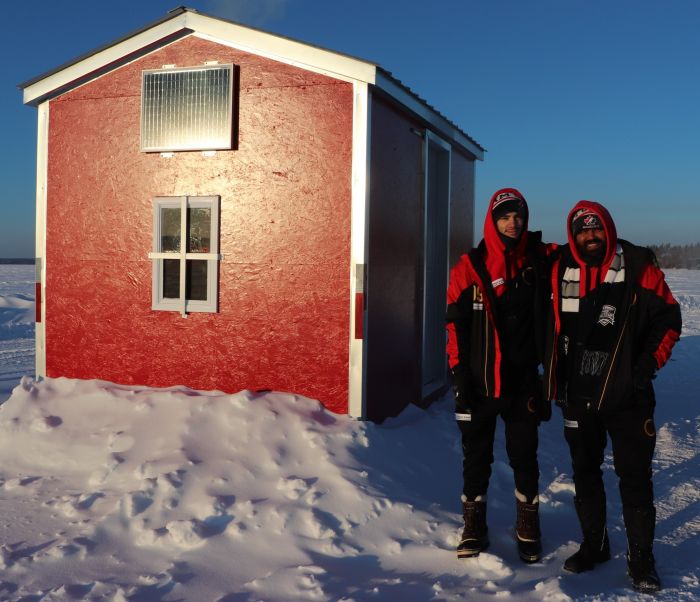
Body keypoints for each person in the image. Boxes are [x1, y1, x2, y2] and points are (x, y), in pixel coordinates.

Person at [544, 201, 681, 592]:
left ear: (608, 229)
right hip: (577, 394)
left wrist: (645, 367)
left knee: (634, 478)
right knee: (585, 473)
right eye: (583, 230)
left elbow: (669, 318)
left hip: (628, 397)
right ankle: (595, 545)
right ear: (574, 234)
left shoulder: (637, 265)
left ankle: (641, 559)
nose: (590, 236)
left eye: (596, 229)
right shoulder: (558, 268)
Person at [446, 188, 556, 562]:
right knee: (476, 457)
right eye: (505, 216)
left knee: (525, 455)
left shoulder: (539, 259)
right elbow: (454, 326)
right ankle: (473, 527)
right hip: (480, 382)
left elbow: (582, 247)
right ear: (492, 220)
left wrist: (626, 250)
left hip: (523, 380)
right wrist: (459, 374)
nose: (513, 222)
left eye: (519, 216)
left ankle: (528, 525)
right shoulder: (469, 267)